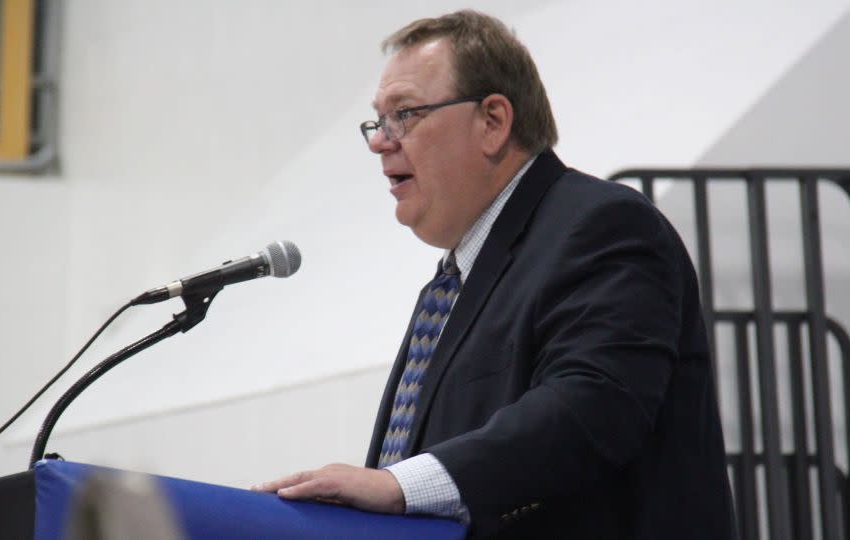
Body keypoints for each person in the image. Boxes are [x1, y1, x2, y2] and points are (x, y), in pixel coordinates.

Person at [254, 10, 736, 539]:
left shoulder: (604, 226)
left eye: (405, 114)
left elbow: (592, 406)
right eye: (378, 121)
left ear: (493, 122)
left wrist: (397, 486)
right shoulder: (450, 286)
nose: (380, 141)